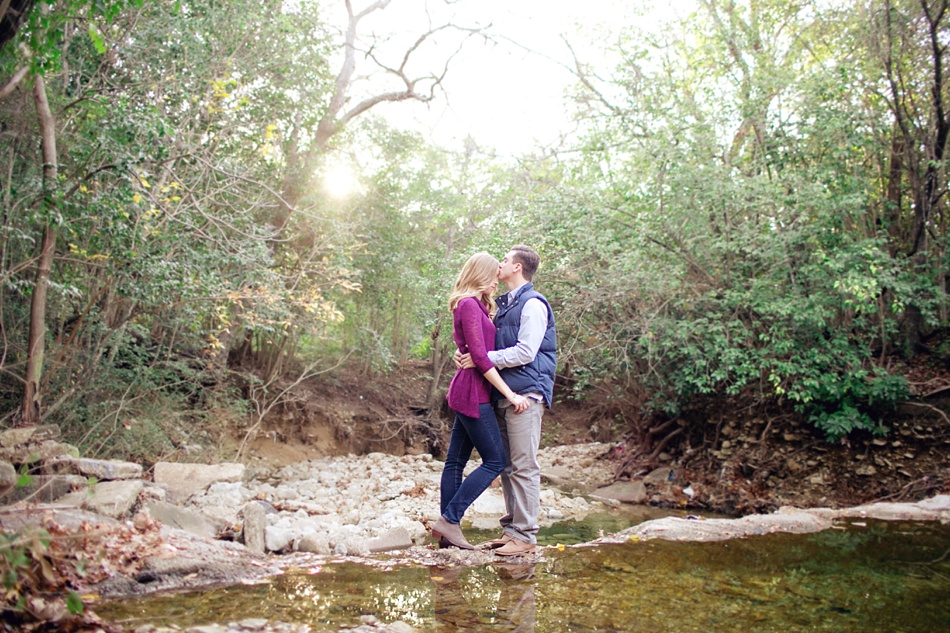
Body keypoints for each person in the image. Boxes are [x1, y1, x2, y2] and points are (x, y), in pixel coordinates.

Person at [456, 245, 556, 557]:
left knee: (524, 465)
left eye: (505, 260)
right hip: (505, 395)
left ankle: (525, 535)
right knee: (509, 466)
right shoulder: (505, 305)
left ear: (517, 267)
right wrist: (469, 354)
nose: (500, 264)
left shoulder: (533, 305)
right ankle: (512, 530)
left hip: (526, 394)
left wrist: (482, 358)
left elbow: (526, 351)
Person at [432, 252, 530, 550]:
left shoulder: (473, 305)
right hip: (473, 392)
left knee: (456, 461)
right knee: (496, 460)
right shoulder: (470, 304)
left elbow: (475, 353)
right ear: (481, 275)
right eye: (493, 274)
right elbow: (480, 358)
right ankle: (450, 520)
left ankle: (448, 534)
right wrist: (511, 393)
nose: (496, 279)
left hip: (468, 389)